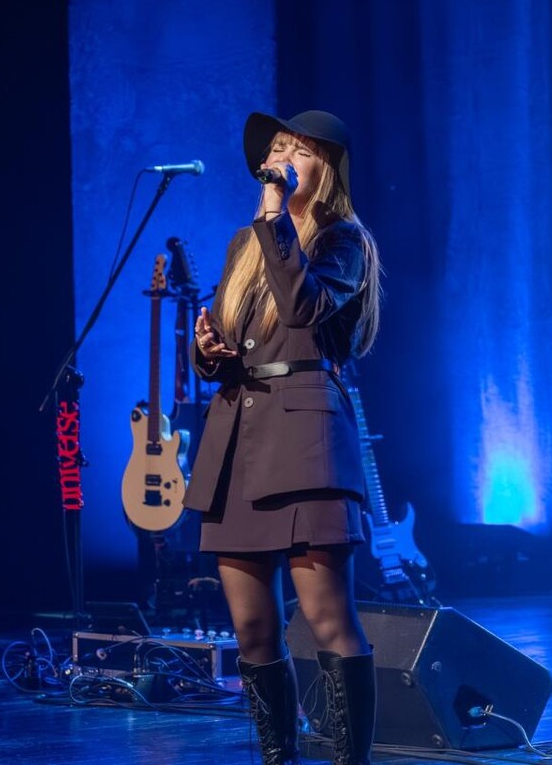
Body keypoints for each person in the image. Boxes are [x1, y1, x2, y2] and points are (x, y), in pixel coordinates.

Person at [183, 110, 382, 765]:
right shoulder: (246, 244)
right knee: (250, 627)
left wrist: (276, 220)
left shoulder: (342, 241)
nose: (279, 158)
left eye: (295, 149)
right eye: (275, 148)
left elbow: (302, 311)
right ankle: (279, 758)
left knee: (327, 618)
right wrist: (206, 349)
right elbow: (227, 336)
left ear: (324, 166)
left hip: (306, 438)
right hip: (238, 436)